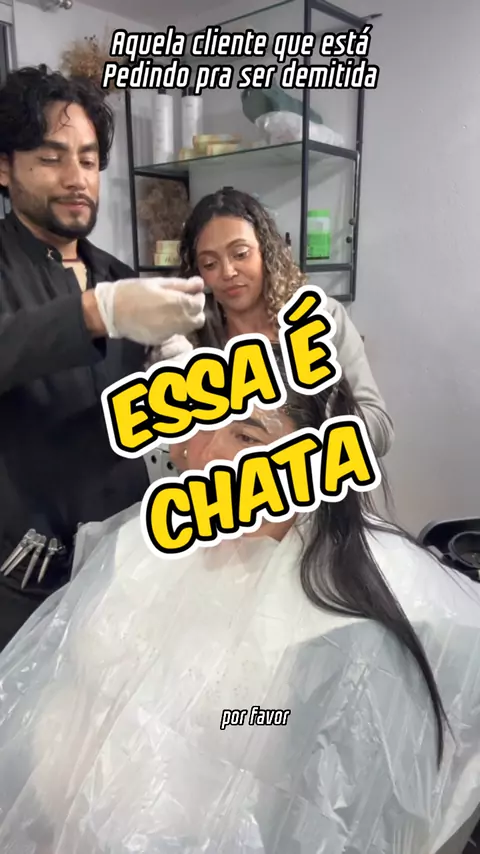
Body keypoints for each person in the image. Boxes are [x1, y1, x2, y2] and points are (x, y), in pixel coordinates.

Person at [0, 346, 480, 853]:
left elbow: (319, 808)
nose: (206, 455)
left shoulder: (340, 635)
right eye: (201, 426)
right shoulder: (150, 542)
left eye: (247, 436)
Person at [0, 65, 205, 649]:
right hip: (21, 578)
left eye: (88, 161)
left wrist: (183, 378)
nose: (76, 179)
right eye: (51, 158)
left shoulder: (117, 274)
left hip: (121, 561)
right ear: (4, 167)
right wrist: (95, 313)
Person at [149, 187, 394, 458]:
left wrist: (305, 433)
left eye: (240, 254)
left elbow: (380, 428)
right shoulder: (193, 339)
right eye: (210, 264)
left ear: (266, 251)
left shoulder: (322, 318)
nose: (228, 272)